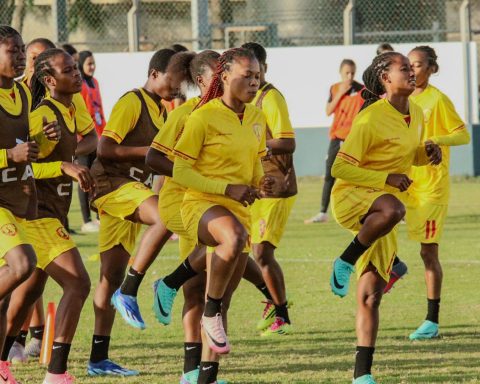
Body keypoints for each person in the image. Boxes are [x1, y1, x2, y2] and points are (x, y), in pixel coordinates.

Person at [328, 52, 442, 383]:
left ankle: (361, 375)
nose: (410, 72)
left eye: (412, 68)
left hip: (382, 210)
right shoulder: (369, 118)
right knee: (394, 208)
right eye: (402, 68)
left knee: (371, 294)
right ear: (385, 79)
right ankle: (347, 259)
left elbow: (407, 155)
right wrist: (386, 179)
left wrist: (426, 153)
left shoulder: (417, 113)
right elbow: (339, 167)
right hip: (353, 198)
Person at [87, 48, 195, 377]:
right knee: (166, 216)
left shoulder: (163, 112)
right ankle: (132, 290)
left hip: (133, 191)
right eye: (175, 80)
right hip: (112, 184)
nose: (178, 88)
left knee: (109, 276)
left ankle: (98, 359)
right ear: (154, 74)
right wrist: (149, 151)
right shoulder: (132, 101)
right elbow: (105, 148)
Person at [169, 46, 271, 384]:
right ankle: (207, 310)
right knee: (234, 240)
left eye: (257, 76)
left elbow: (255, 163)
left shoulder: (257, 117)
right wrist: (226, 188)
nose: (254, 82)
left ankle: (207, 379)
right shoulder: (202, 117)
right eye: (247, 76)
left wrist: (262, 182)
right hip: (200, 204)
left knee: (226, 297)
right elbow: (180, 171)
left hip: (237, 210)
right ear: (225, 76)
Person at [2, 48, 97, 384]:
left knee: (27, 293)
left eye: (75, 69)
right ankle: (56, 373)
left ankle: (6, 358)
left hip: (52, 211)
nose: (77, 75)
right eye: (69, 70)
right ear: (49, 79)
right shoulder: (42, 112)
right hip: (37, 211)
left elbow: (91, 139)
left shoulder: (73, 106)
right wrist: (64, 164)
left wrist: (68, 156)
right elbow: (26, 162)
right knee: (78, 282)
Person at [147, 49, 231, 384]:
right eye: (218, 74)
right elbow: (155, 158)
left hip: (215, 205)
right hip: (184, 203)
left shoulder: (233, 114)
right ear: (201, 80)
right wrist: (187, 173)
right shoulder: (185, 114)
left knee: (211, 290)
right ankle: (192, 372)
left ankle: (200, 374)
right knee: (202, 286)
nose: (226, 80)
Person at [0, 25, 62, 383]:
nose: (22, 56)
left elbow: (26, 147)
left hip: (19, 198)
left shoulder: (23, 95)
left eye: (22, 49)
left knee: (10, 295)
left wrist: (41, 138)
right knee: (23, 263)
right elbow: (13, 151)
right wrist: (10, 154)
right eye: (14, 50)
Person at [403, 46, 470, 340]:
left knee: (427, 251)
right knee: (375, 222)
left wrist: (436, 139)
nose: (412, 71)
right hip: (403, 184)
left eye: (417, 65)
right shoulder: (399, 101)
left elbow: (463, 134)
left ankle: (432, 321)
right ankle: (392, 268)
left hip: (430, 188)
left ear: (431, 68)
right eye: (408, 65)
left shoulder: (438, 100)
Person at [239, 42, 295, 336]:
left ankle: (281, 314)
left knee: (261, 252)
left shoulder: (271, 98)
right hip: (255, 186)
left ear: (264, 69)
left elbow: (287, 142)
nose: (252, 77)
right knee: (242, 249)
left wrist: (251, 143)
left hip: (277, 185)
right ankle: (273, 302)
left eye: (256, 71)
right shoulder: (243, 100)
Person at [305, 59, 364, 224]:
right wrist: (340, 93)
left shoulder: (362, 90)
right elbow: (328, 111)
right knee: (330, 174)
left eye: (352, 72)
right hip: (337, 137)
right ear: (341, 73)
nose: (350, 76)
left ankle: (360, 211)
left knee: (356, 176)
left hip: (353, 139)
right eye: (346, 73)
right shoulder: (335, 88)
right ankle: (323, 212)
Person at [78, 50, 106, 233]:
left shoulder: (94, 82)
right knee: (83, 176)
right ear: (81, 64)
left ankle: (97, 216)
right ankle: (86, 220)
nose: (92, 67)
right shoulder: (79, 84)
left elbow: (99, 109)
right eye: (89, 63)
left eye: (93, 63)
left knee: (97, 176)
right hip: (84, 137)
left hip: (97, 136)